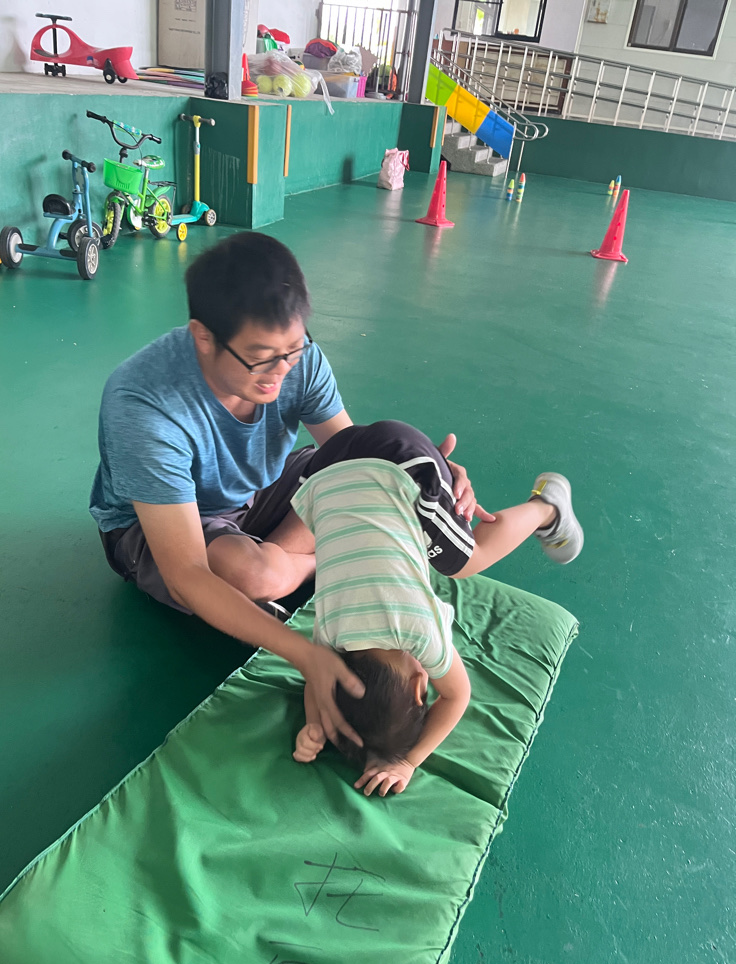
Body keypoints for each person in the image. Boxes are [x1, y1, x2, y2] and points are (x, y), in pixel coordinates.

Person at [89, 233, 481, 747]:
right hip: (162, 524)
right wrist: (303, 652)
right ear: (203, 337)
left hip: (262, 491)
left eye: (292, 352)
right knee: (252, 573)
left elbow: (354, 464)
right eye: (261, 358)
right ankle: (305, 564)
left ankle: (291, 563)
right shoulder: (143, 405)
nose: (280, 372)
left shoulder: (298, 359)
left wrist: (428, 475)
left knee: (342, 507)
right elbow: (186, 574)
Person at [289, 420, 583, 796]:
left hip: (403, 463)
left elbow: (457, 696)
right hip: (324, 468)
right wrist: (315, 724)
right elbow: (315, 682)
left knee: (468, 560)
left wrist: (408, 761)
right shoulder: (331, 636)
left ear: (419, 688)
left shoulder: (419, 633)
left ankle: (546, 508)